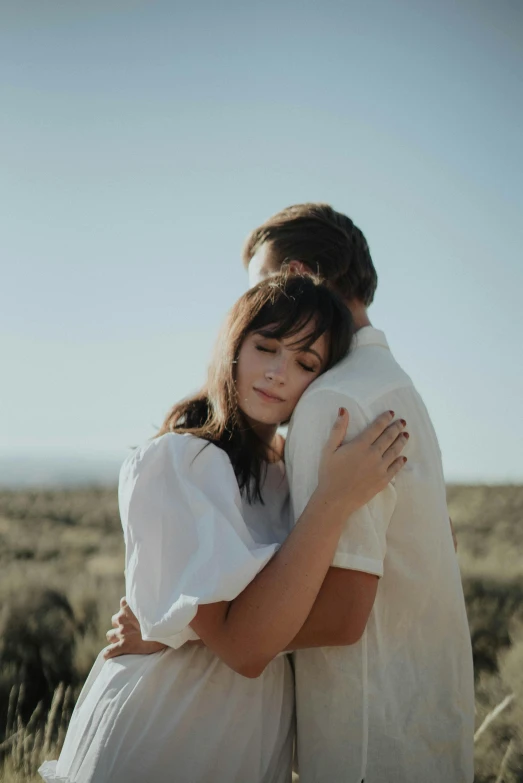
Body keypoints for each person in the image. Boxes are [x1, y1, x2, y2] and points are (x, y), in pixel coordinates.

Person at [109, 204, 475, 782]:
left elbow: (341, 608)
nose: (259, 308)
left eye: (263, 288)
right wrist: (185, 624)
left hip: (309, 734)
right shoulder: (393, 390)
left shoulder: (336, 405)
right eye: (263, 338)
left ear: (298, 276)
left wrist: (184, 633)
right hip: (183, 731)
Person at [39, 273, 407, 783]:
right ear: (234, 343)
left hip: (249, 732)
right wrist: (333, 500)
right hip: (172, 718)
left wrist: (188, 630)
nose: (279, 373)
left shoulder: (288, 474)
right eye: (267, 347)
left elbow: (331, 618)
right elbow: (245, 648)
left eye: (305, 363)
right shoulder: (179, 460)